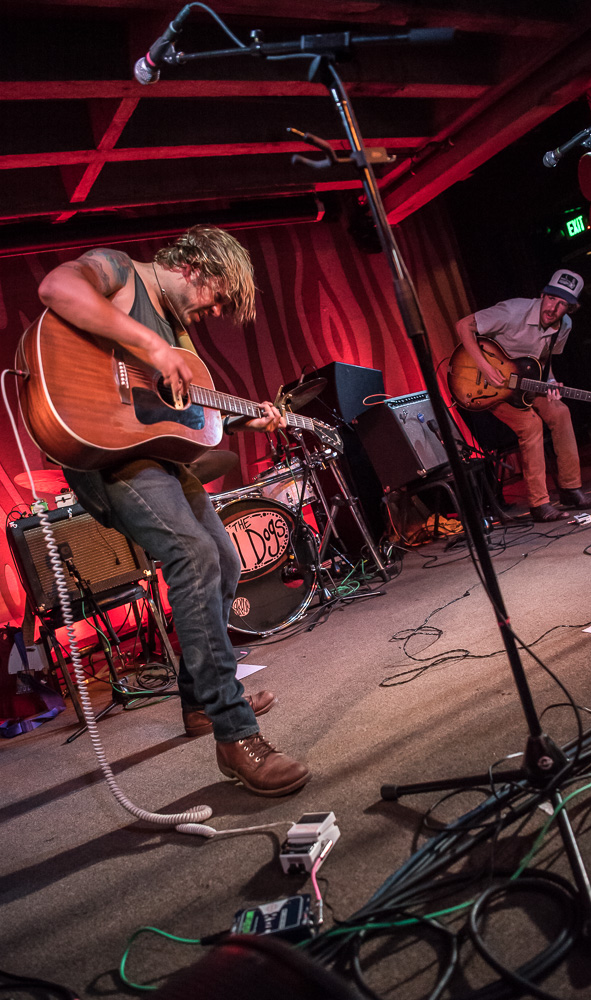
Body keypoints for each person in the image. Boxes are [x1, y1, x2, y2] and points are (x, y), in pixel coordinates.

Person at [37, 224, 310, 796]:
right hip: (108, 453)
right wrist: (154, 348)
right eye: (219, 296)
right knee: (193, 555)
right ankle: (235, 733)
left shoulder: (178, 328)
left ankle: (201, 704)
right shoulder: (119, 270)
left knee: (225, 561)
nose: (217, 311)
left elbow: (179, 411)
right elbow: (57, 288)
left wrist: (246, 418)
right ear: (195, 267)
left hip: (156, 453)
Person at [454, 269, 591, 523]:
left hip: (524, 382)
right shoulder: (513, 311)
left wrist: (550, 383)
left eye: (562, 303)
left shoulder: (564, 326)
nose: (553, 308)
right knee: (531, 424)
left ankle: (570, 488)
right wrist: (485, 367)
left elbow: (544, 361)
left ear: (570, 308)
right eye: (551, 298)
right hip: (489, 385)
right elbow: (463, 325)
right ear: (542, 295)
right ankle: (539, 504)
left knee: (561, 412)